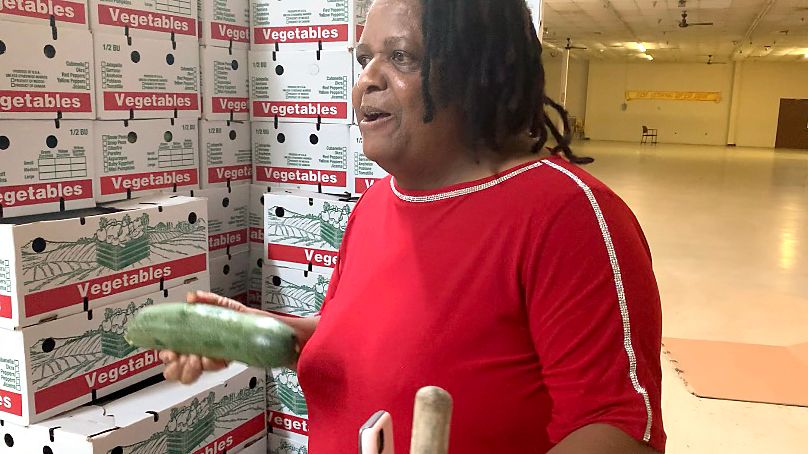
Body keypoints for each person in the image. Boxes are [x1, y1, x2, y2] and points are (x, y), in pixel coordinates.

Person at [160, 0, 666, 452]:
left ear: (477, 71)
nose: (367, 80)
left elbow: (616, 428)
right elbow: (366, 348)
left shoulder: (566, 215)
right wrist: (260, 332)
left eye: (401, 57)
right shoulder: (375, 205)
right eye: (364, 60)